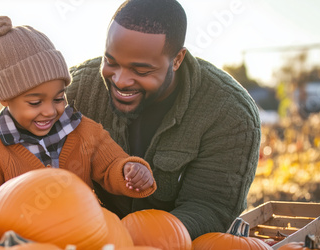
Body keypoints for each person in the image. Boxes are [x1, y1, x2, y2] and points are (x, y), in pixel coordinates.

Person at [65, 0, 261, 239]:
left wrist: (137, 238)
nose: (121, 80)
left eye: (141, 71)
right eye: (111, 62)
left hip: (169, 241)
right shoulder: (75, 90)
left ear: (177, 60)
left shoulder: (229, 113)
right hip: (81, 233)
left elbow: (209, 207)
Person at [0, 16, 156, 235]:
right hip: (25, 239)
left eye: (59, 98)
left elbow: (111, 165)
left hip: (84, 233)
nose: (50, 111)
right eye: (35, 102)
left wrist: (130, 171)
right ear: (5, 99)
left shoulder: (83, 131)